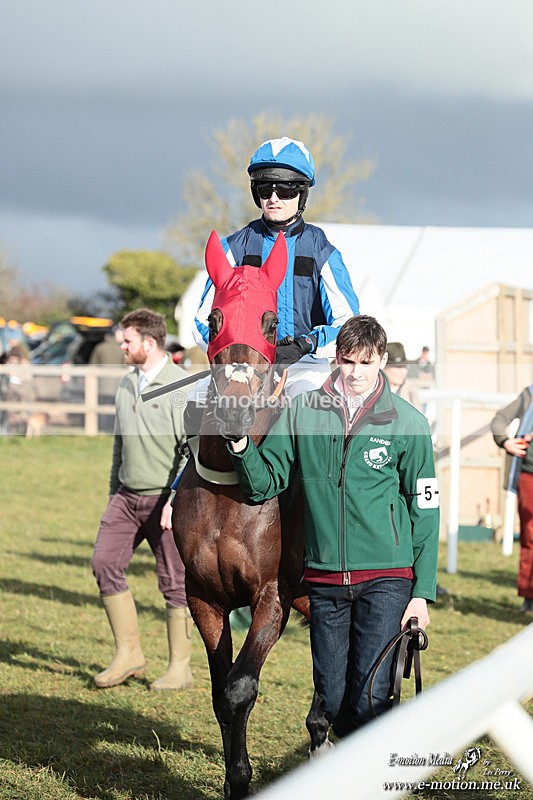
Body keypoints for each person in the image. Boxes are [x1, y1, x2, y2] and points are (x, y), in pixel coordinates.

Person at [227, 315, 439, 738]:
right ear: (335, 360)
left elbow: (426, 509)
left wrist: (422, 594)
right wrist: (241, 446)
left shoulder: (408, 422)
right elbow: (267, 481)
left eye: (365, 362)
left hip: (387, 577)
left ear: (381, 359)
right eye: (347, 361)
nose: (356, 372)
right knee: (332, 698)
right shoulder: (304, 411)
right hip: (324, 580)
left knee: (372, 698)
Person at [192, 136, 360, 404]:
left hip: (303, 366)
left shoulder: (321, 250)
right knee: (193, 398)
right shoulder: (233, 248)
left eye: (285, 189)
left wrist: (306, 344)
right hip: (242, 365)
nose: (273, 198)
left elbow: (348, 324)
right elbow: (201, 322)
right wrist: (238, 353)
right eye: (264, 189)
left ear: (302, 192)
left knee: (309, 405)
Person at [91, 308, 194, 690]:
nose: (121, 346)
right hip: (125, 496)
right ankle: (129, 654)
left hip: (165, 502)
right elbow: (120, 444)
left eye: (127, 341)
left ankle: (180, 668)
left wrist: (174, 500)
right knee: (103, 562)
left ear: (148, 344)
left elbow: (191, 450)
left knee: (174, 582)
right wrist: (112, 494)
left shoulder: (182, 386)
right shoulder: (124, 383)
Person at [491, 385, 533, 614]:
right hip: (529, 475)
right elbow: (499, 419)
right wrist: (505, 441)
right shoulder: (529, 395)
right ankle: (529, 597)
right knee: (530, 534)